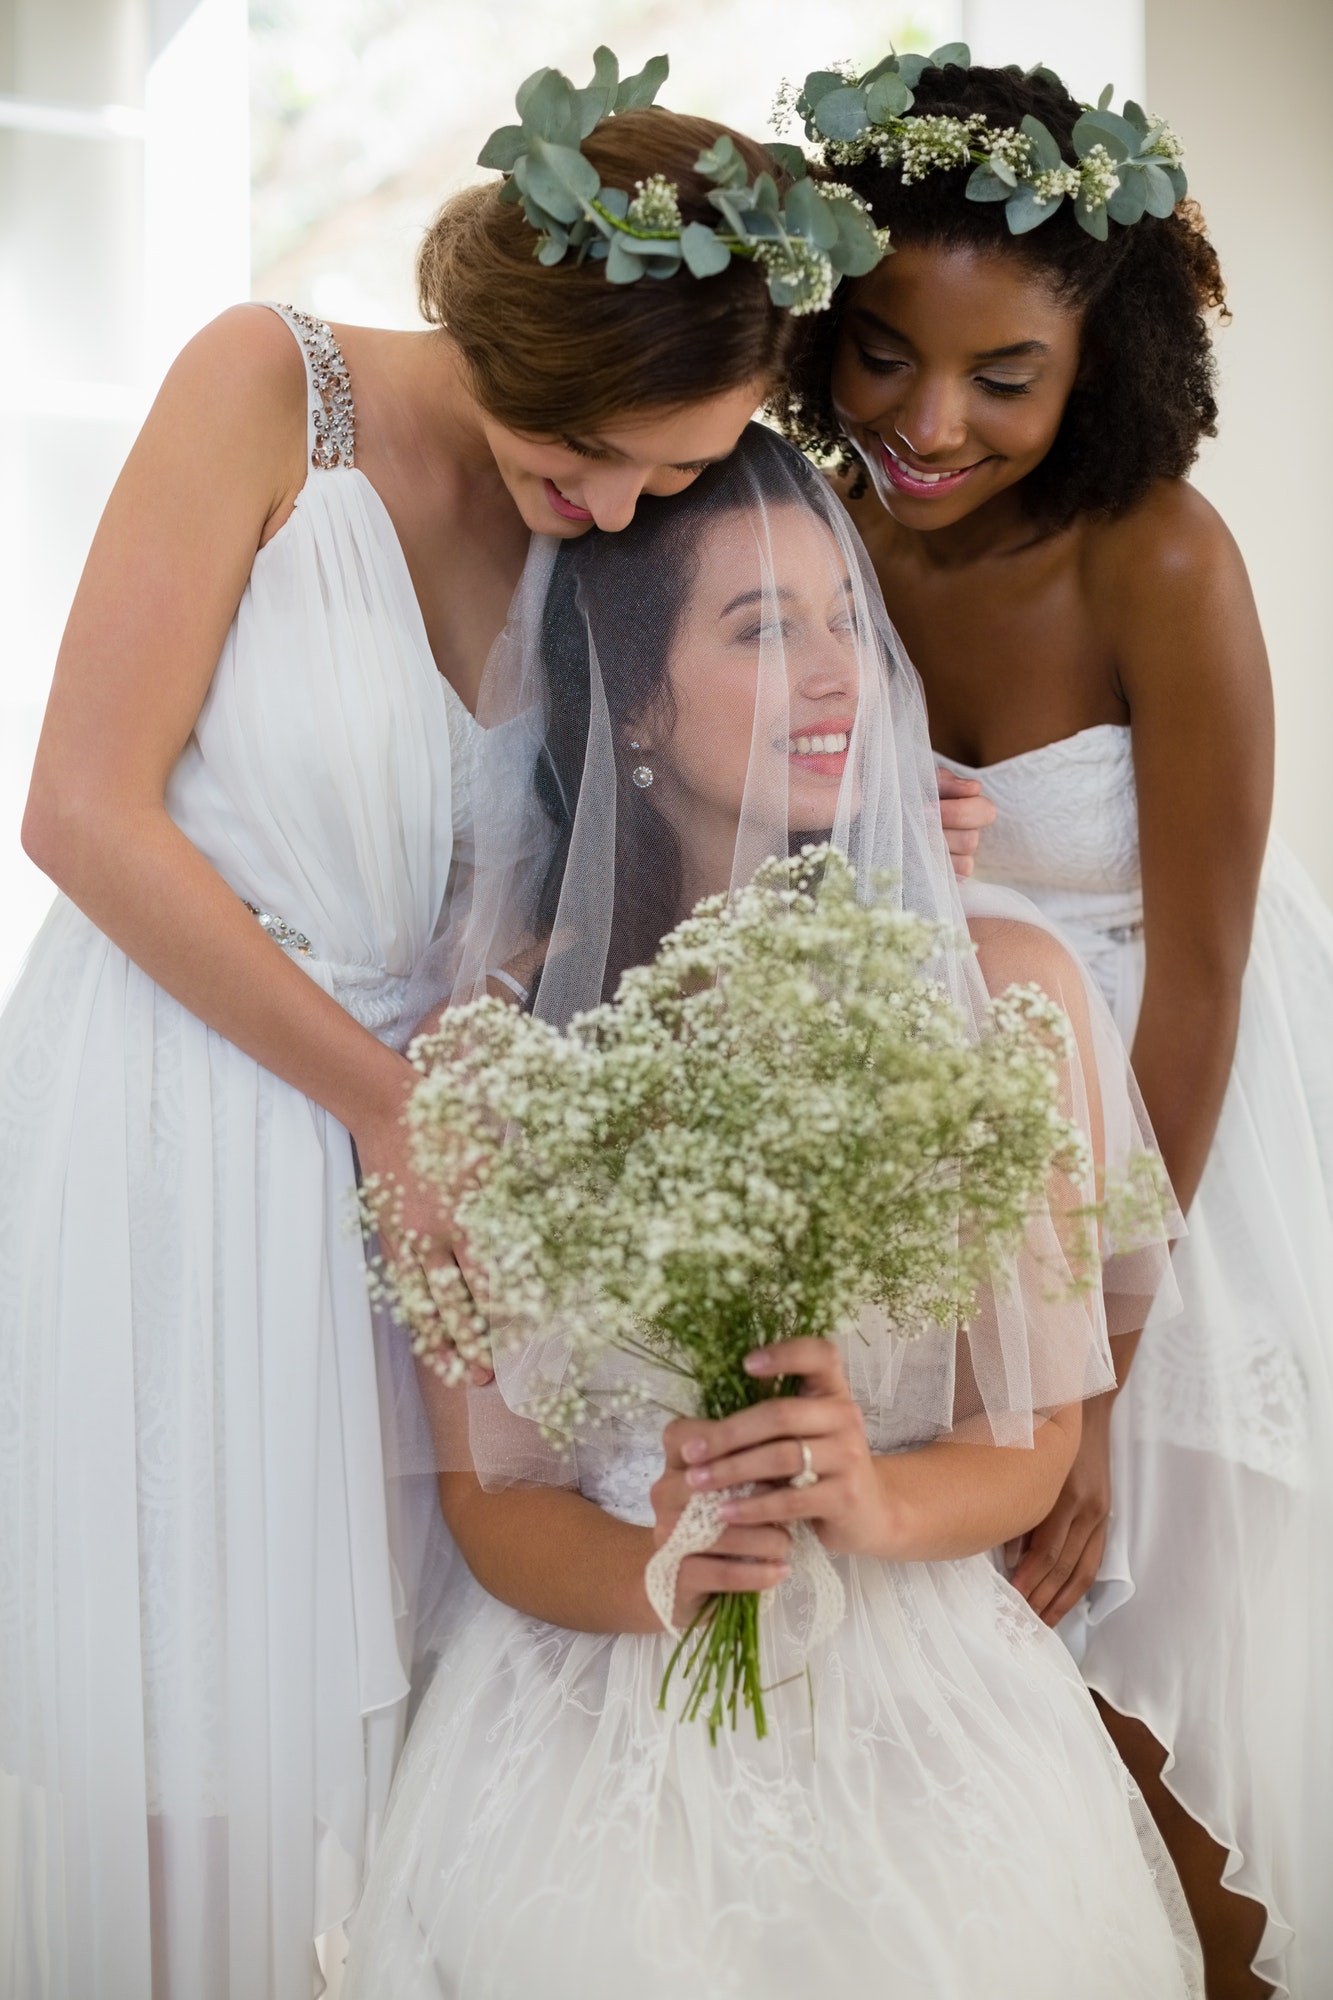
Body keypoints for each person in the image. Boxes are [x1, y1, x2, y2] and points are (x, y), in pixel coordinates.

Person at [0, 52, 901, 1996]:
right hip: (181, 1108)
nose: (616, 502)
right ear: (528, 322)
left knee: (378, 1738)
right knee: (164, 1723)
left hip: (425, 1192)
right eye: (599, 445)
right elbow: (79, 807)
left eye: (670, 473)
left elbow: (616, 828)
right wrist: (385, 1101)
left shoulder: (601, 543)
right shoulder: (268, 389)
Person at [341, 423, 1200, 2000]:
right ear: (638, 704)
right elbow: (494, 1495)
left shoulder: (1003, 997)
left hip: (922, 1710)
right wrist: (653, 1565)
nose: (836, 676)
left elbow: (1032, 1449)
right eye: (759, 628)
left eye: (844, 622)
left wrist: (870, 1501)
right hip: (592, 1711)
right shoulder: (483, 1059)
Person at [779, 46, 1333, 1999]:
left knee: (1156, 1658)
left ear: (1099, 361)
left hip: (1169, 1144)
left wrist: (1096, 1359)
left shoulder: (1158, 555)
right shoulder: (805, 527)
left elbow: (1197, 985)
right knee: (964, 1697)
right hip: (933, 1123)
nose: (929, 424)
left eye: (1000, 378)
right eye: (879, 358)